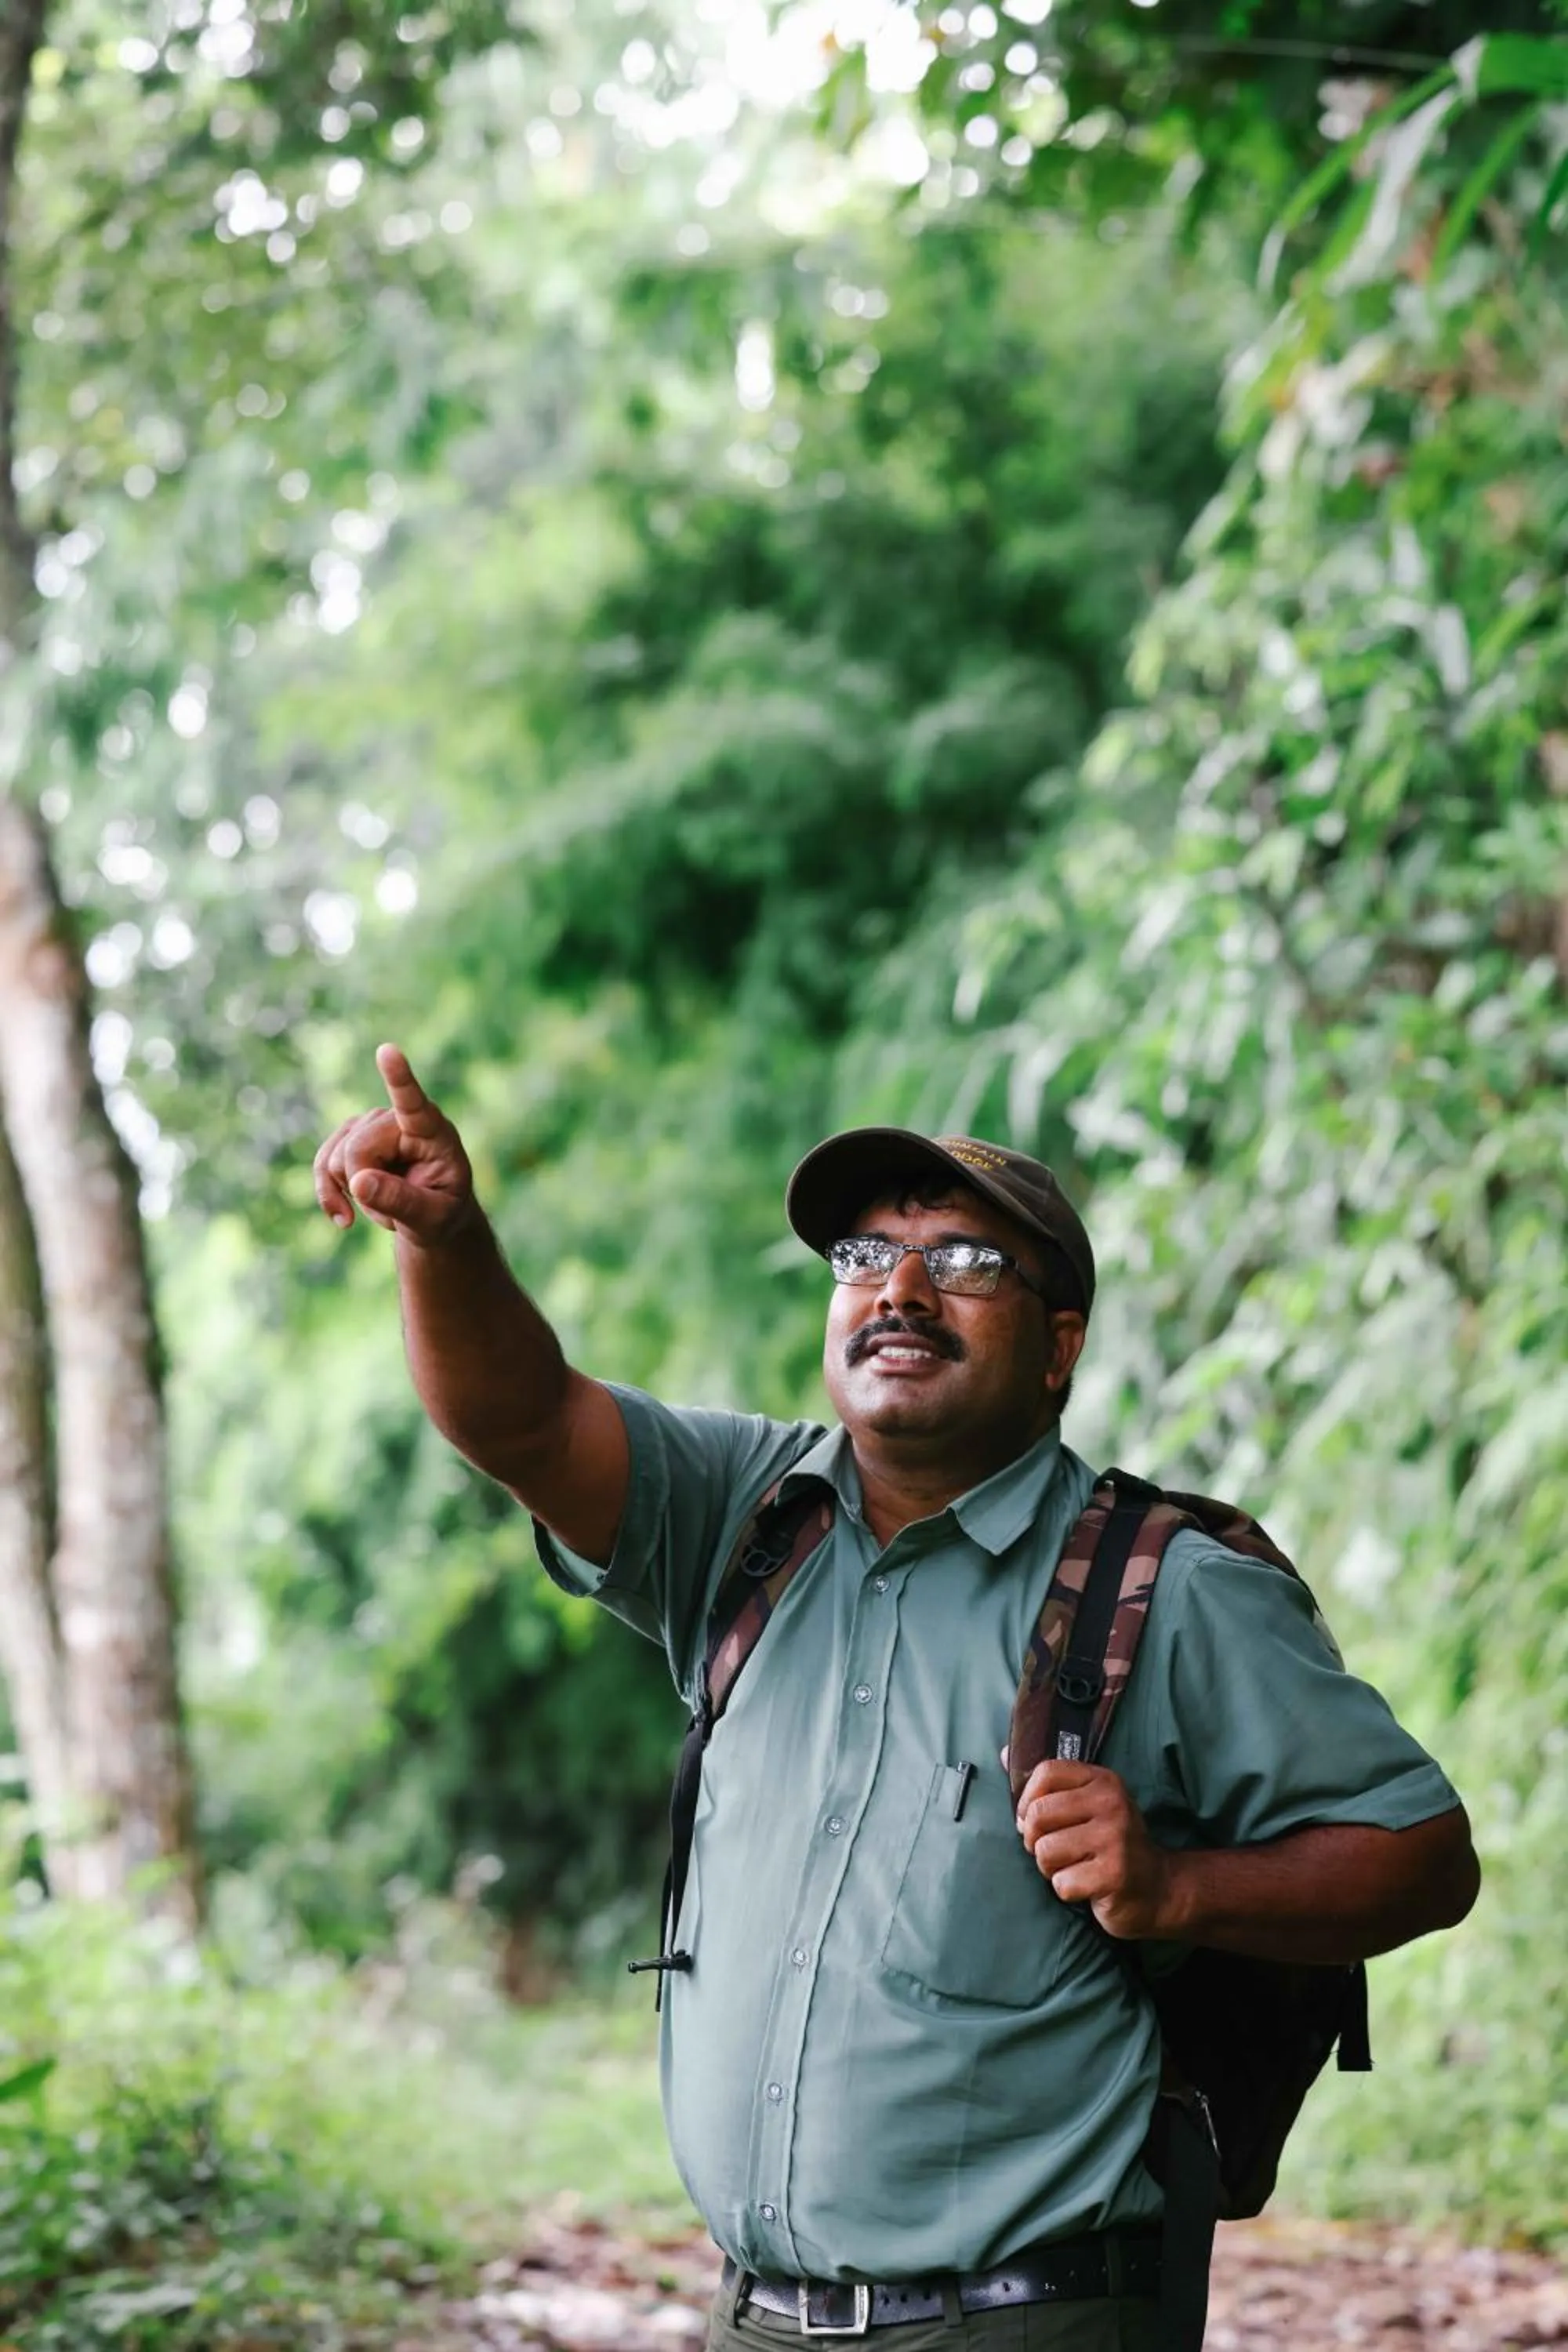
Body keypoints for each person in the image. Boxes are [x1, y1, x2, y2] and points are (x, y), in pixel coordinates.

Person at [315, 1044, 1480, 2352]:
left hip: (1033, 2323)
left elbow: (1425, 1857)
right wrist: (447, 1240)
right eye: (864, 1257)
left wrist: (1180, 1889)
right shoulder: (741, 1519)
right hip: (753, 2316)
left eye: (969, 1264)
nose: (903, 1292)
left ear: (1059, 1348)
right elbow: (522, 1424)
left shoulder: (1171, 1590)